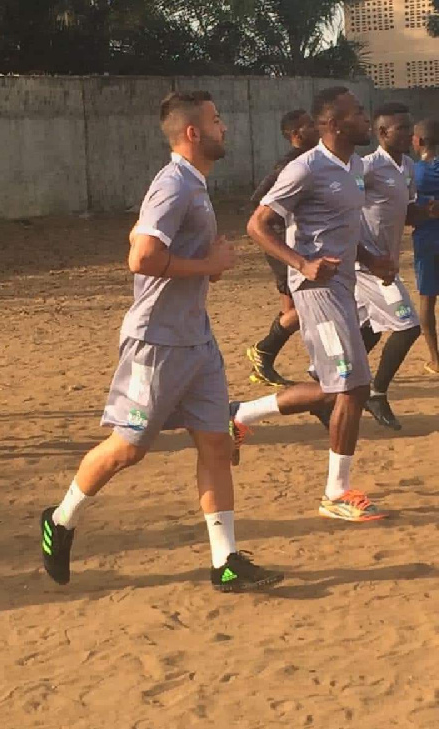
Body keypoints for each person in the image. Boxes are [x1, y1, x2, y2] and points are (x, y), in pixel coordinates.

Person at [41, 91, 284, 593]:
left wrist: (203, 270)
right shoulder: (173, 184)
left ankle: (226, 561)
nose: (226, 127)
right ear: (193, 132)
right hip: (157, 342)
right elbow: (142, 258)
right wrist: (209, 266)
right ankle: (61, 519)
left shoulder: (192, 184)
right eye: (217, 120)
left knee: (216, 444)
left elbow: (140, 238)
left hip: (197, 340)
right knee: (128, 450)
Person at [232, 87, 396, 522]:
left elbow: (343, 230)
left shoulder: (355, 166)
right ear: (335, 124)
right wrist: (302, 264)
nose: (365, 118)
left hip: (343, 286)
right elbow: (257, 224)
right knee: (352, 386)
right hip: (316, 292)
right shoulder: (305, 168)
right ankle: (335, 494)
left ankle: (240, 414)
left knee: (339, 385)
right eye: (357, 112)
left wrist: (371, 258)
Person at [356, 104, 438, 429]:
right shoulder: (366, 168)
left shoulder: (406, 167)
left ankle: (332, 386)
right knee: (408, 326)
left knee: (369, 332)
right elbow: (343, 207)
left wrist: (429, 211)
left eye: (408, 128)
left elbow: (407, 215)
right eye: (399, 129)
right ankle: (375, 392)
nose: (407, 134)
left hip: (384, 263)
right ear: (382, 133)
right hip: (369, 266)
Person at [246, 109, 320, 387]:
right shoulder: (290, 165)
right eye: (311, 124)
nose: (318, 128)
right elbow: (258, 203)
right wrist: (281, 237)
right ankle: (263, 350)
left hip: (293, 247)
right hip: (284, 247)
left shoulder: (314, 160)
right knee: (304, 308)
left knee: (292, 309)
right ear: (297, 135)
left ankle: (263, 362)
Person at [411, 118, 439, 374]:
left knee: (427, 300)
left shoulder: (412, 172)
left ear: (418, 141)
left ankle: (435, 359)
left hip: (427, 241)